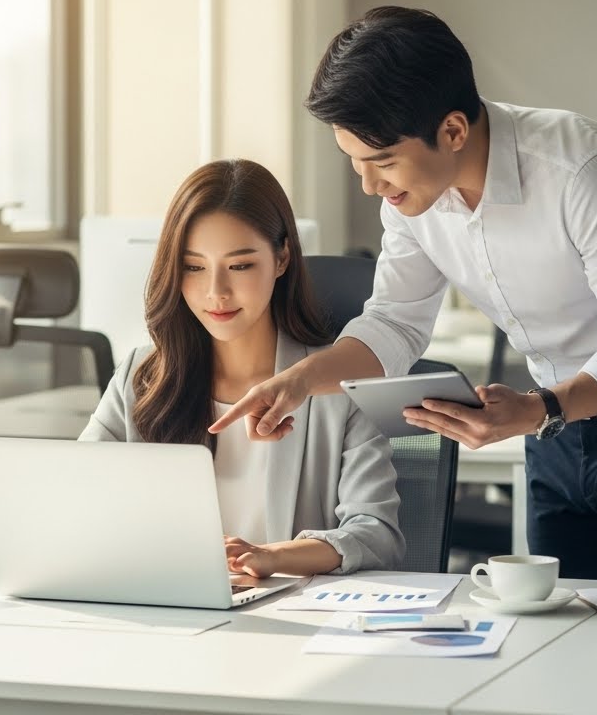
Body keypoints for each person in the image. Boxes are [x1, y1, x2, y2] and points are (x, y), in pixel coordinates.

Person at [212, 7, 597, 582]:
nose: (370, 186)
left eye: (382, 162)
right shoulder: (410, 197)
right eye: (355, 163)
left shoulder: (587, 172)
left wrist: (541, 408)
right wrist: (301, 380)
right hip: (553, 428)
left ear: (454, 130)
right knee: (554, 626)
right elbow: (395, 322)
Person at [80, 158, 404, 579]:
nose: (216, 292)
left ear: (282, 258)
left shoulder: (334, 385)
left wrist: (273, 557)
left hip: (288, 623)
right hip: (165, 613)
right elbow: (79, 496)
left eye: (240, 266)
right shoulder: (141, 375)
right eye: (194, 267)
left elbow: (377, 536)